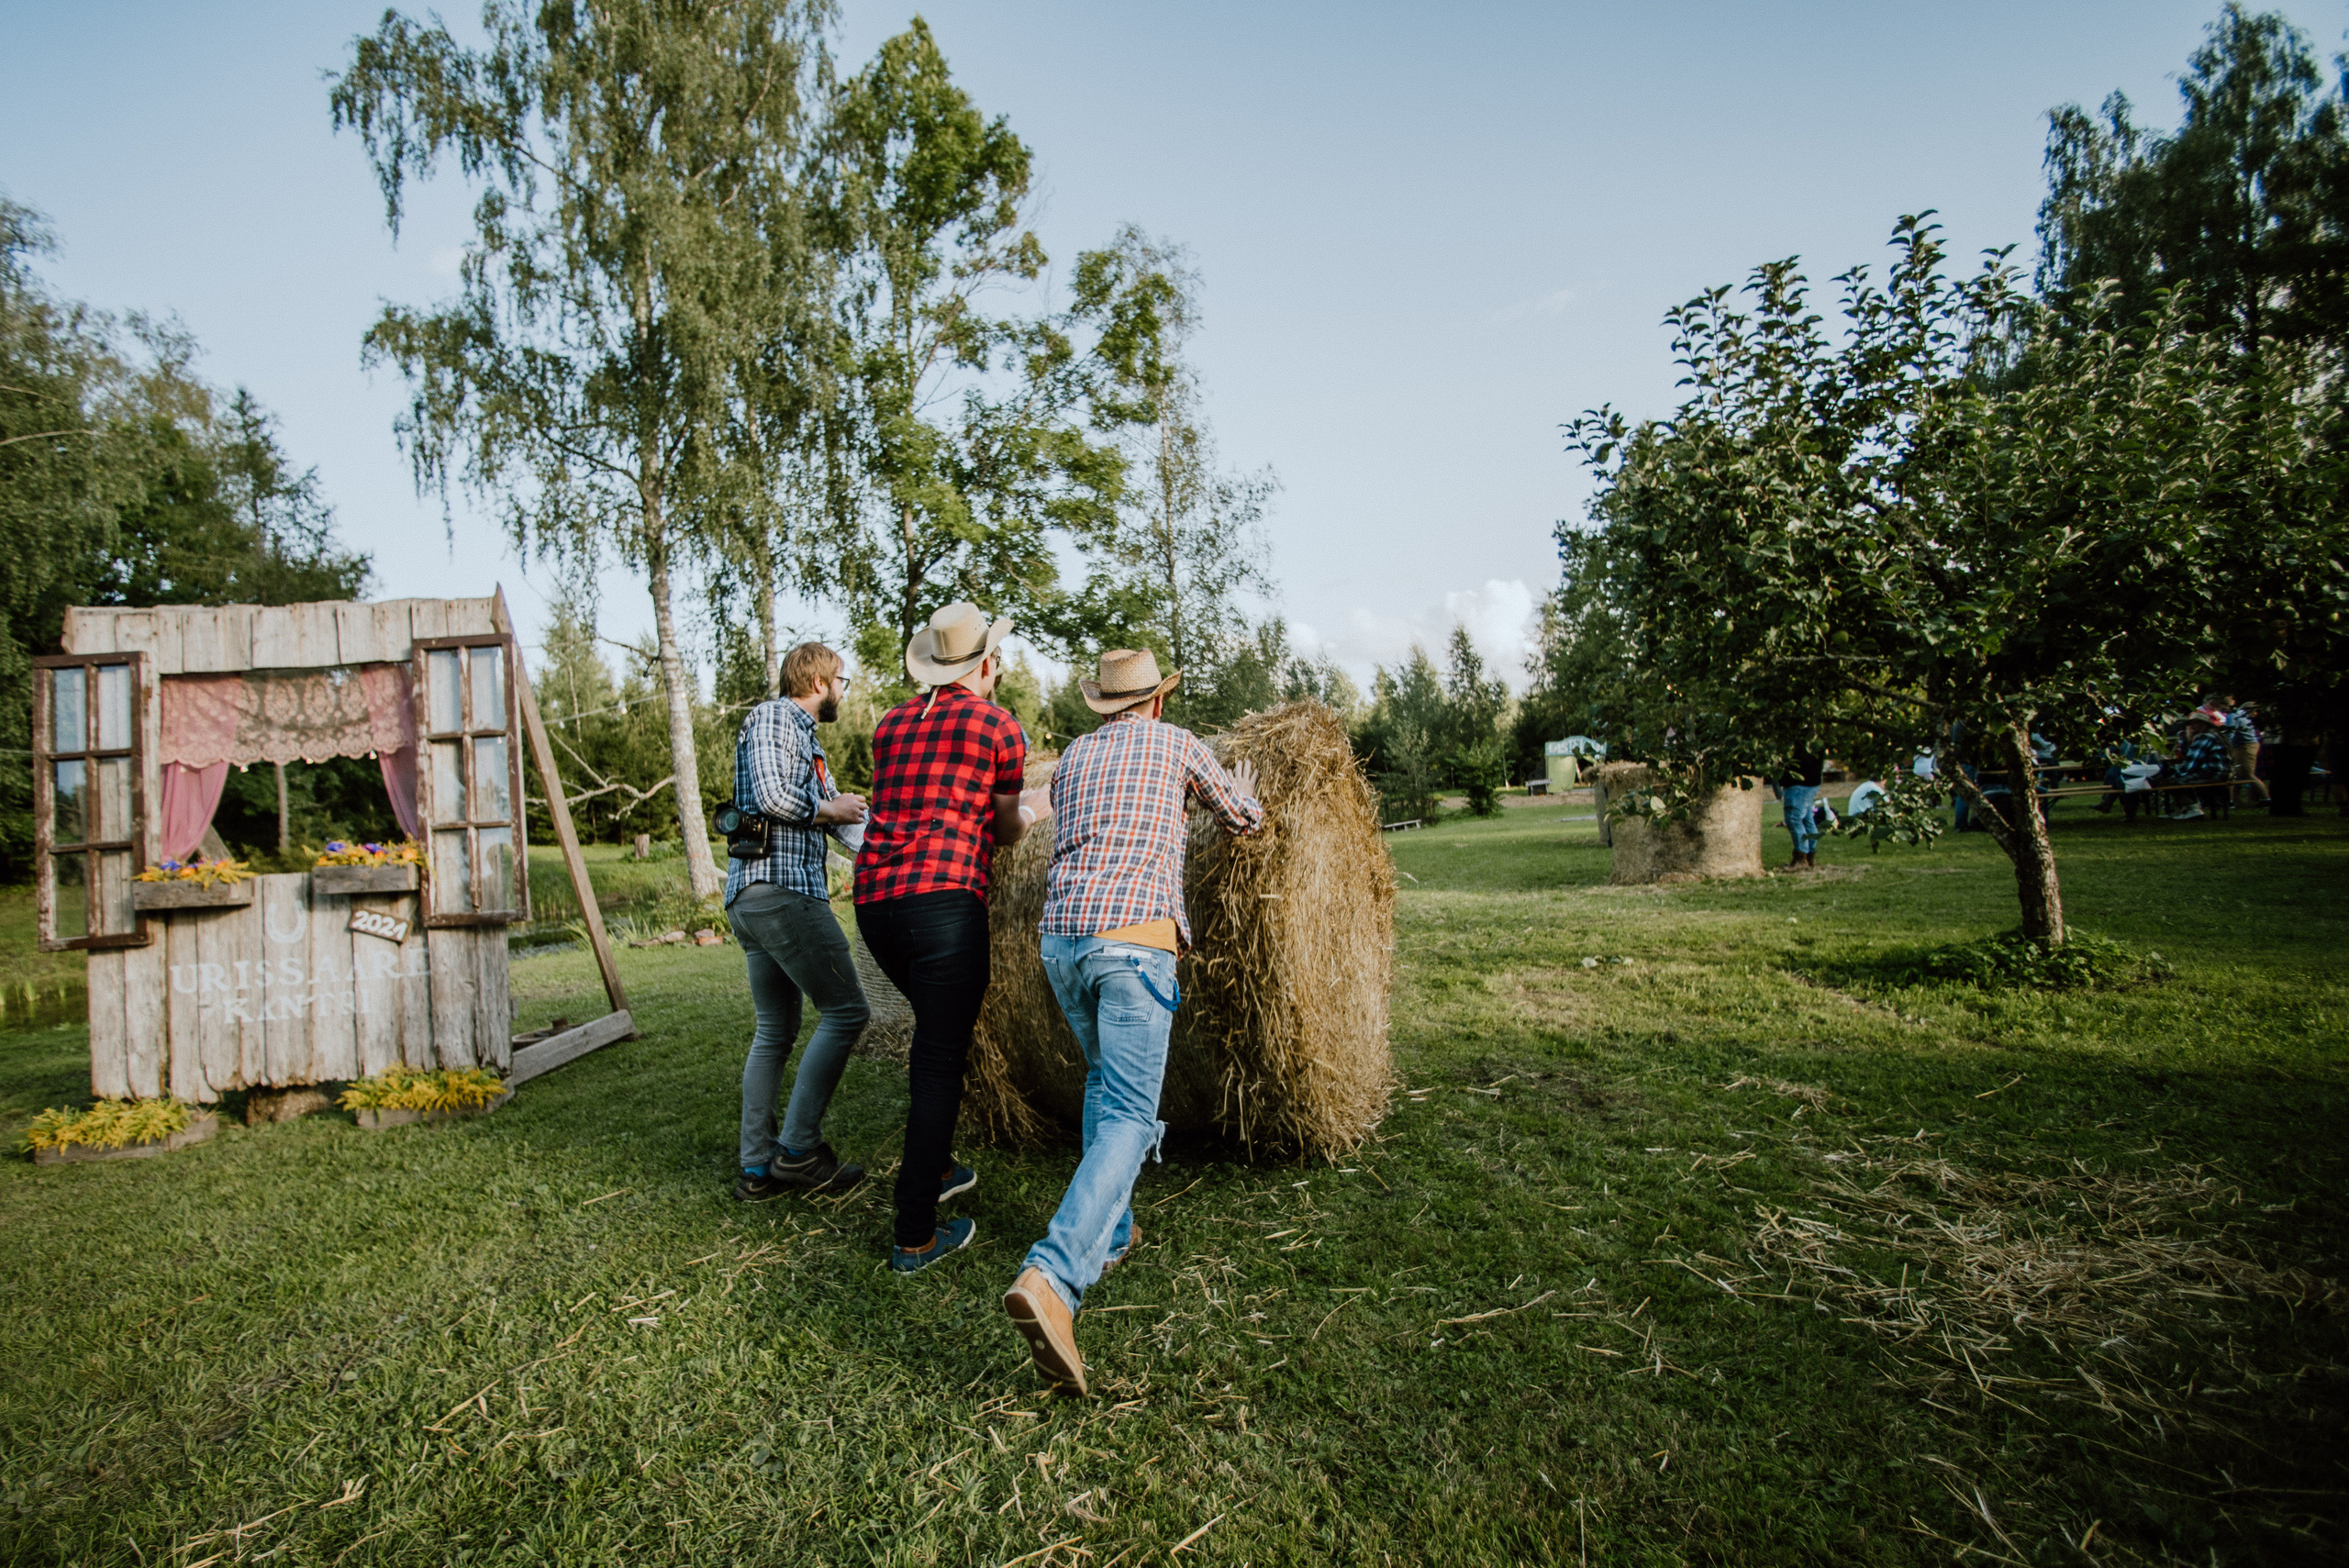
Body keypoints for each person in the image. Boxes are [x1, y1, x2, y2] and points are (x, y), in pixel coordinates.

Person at [1001, 648, 1264, 1395]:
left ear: (1104, 704)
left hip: (1064, 943)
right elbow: (1243, 820)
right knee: (1130, 1113)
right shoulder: (1179, 743)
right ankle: (1053, 1275)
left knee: (1102, 1080)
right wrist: (1245, 794)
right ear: (1157, 699)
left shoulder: (1076, 756)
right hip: (1133, 943)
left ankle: (1113, 1232)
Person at [855, 603, 1045, 1273]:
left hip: (875, 904)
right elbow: (1005, 829)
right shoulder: (998, 726)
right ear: (986, 664)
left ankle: (936, 1166)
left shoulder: (891, 724)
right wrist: (1035, 810)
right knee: (939, 1061)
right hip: (943, 904)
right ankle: (914, 1233)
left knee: (934, 1039)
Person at [725, 642, 871, 1202]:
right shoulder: (774, 718)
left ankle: (757, 1169)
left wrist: (898, 847)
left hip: (757, 899)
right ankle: (798, 1150)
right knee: (847, 1010)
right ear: (818, 682)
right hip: (781, 892)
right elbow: (770, 796)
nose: (843, 693)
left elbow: (843, 824)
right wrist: (830, 808)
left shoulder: (808, 742)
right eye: (842, 681)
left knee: (775, 1030)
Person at [1777, 751, 1824, 871]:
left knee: (1794, 819)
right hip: (1811, 782)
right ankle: (1809, 856)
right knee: (1807, 820)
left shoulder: (1798, 744)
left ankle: (1801, 857)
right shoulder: (1815, 744)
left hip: (1798, 783)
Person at [2220, 695, 2268, 805]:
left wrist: (2226, 747)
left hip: (2245, 746)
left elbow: (2230, 735)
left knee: (2247, 774)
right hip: (2243, 746)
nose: (2256, 714)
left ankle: (2266, 799)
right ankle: (2231, 800)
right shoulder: (2239, 714)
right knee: (2236, 773)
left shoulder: (2233, 716)